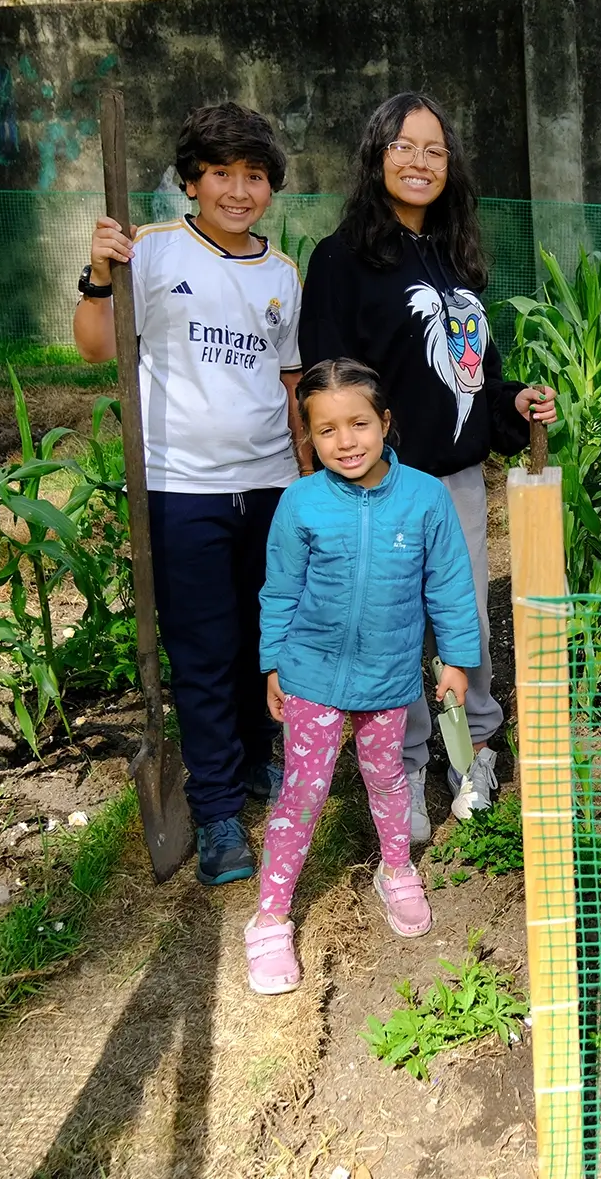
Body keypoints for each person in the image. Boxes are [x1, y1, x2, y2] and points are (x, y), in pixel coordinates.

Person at [299, 91, 557, 841]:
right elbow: (326, 380)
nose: (419, 162)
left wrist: (515, 401)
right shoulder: (342, 259)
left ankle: (474, 746)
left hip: (458, 483)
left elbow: (476, 371)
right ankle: (404, 767)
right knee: (392, 630)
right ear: (377, 157)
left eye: (434, 150)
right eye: (403, 147)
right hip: (383, 487)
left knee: (465, 619)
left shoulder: (452, 256)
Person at [74, 101, 306, 888]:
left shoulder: (281, 273)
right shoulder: (151, 252)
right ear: (191, 182)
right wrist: (98, 276)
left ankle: (250, 764)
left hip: (270, 483)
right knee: (204, 653)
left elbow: (289, 381)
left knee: (260, 641)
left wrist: (308, 480)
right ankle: (213, 812)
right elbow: (96, 347)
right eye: (221, 175)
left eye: (255, 176)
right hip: (181, 489)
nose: (239, 191)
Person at [246, 359, 480, 993]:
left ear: (385, 422)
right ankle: (269, 918)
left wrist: (457, 660)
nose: (345, 442)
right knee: (302, 793)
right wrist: (273, 662)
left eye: (358, 424)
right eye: (326, 431)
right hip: (311, 677)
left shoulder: (426, 497)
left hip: (387, 678)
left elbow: (451, 587)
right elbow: (279, 591)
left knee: (388, 780)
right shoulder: (301, 503)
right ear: (309, 438)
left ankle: (396, 869)